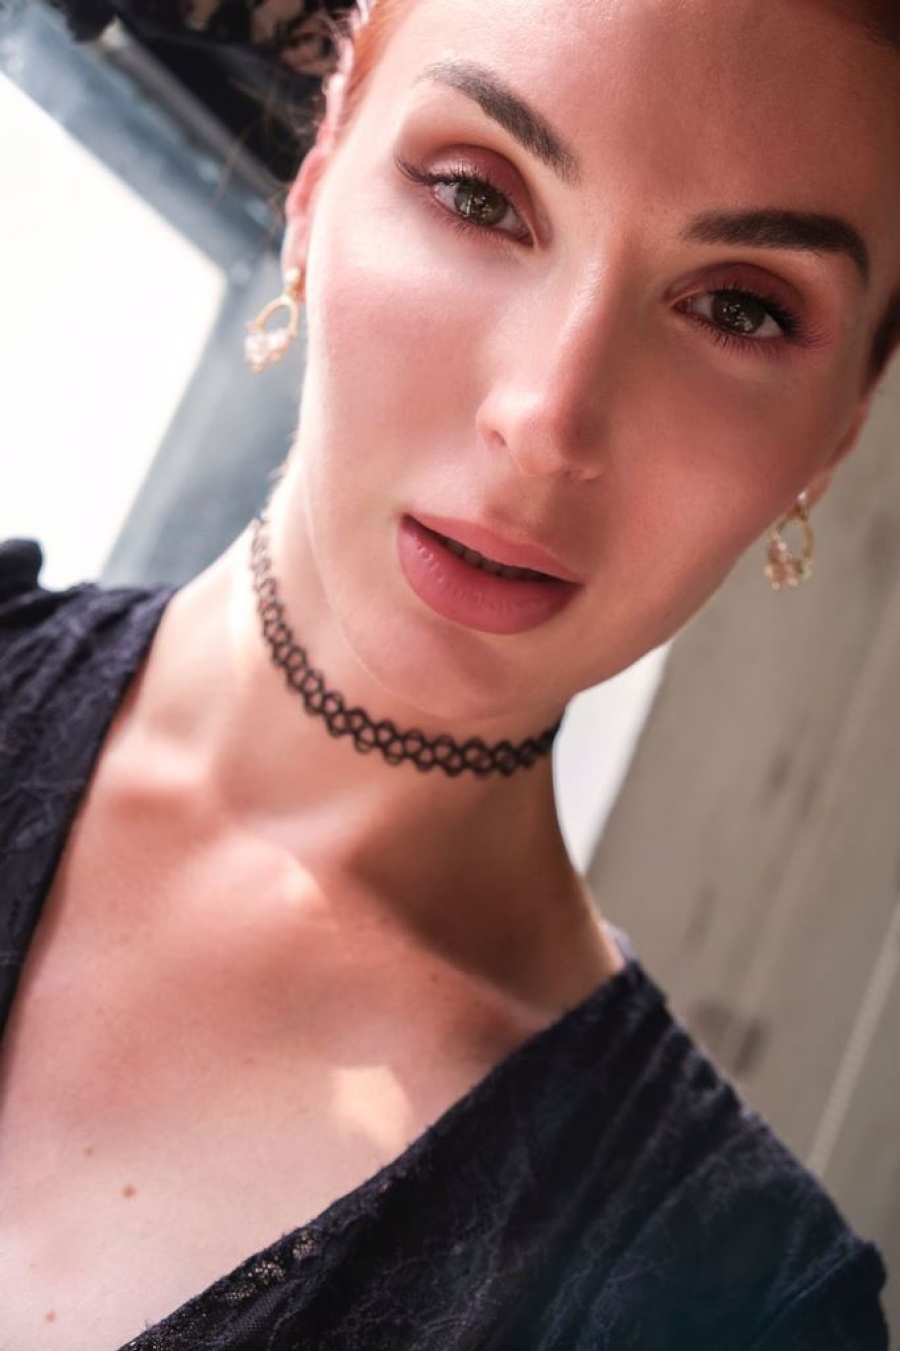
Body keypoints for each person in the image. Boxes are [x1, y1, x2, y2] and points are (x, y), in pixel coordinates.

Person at [1, 0, 898, 1346]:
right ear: (319, 181)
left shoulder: (739, 1306)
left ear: (834, 438)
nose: (547, 420)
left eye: (739, 309)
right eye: (480, 196)